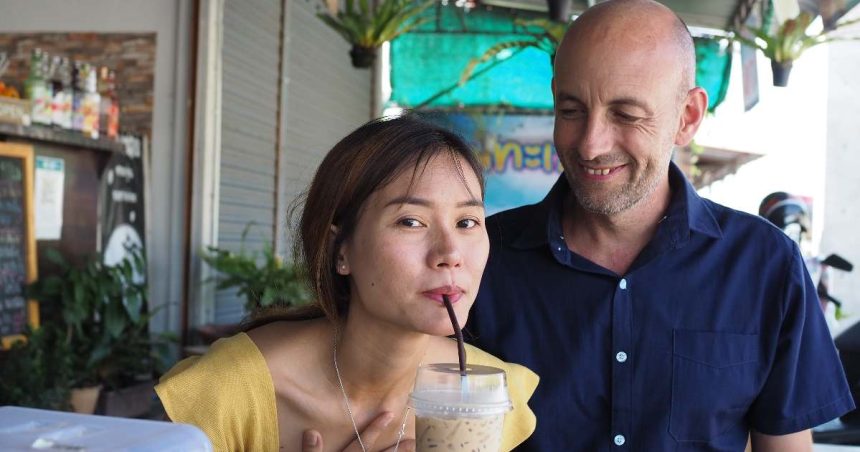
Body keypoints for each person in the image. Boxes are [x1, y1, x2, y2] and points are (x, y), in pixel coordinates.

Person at [465, 0, 854, 450]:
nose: (591, 145)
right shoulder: (480, 256)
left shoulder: (764, 265)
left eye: (626, 115)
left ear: (687, 116)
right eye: (571, 110)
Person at [156, 116, 538, 451]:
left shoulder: (491, 396)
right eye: (411, 221)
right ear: (340, 250)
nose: (451, 252)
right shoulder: (231, 392)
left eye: (467, 222)